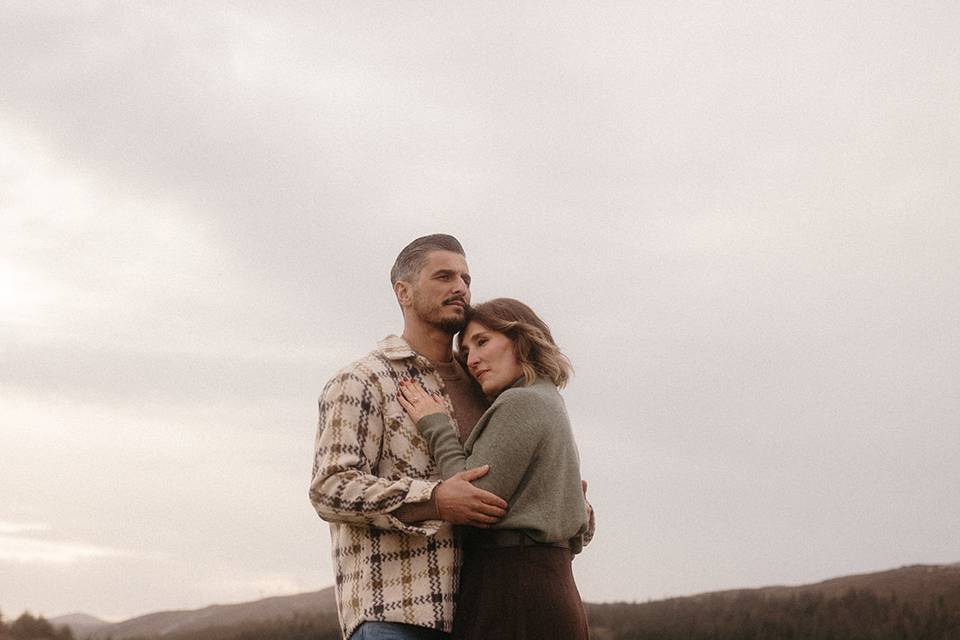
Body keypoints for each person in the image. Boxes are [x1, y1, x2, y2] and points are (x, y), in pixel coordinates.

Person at [309, 234, 509, 640]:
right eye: (444, 276)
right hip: (397, 616)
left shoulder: (486, 387)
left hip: (485, 615)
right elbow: (330, 487)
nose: (461, 288)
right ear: (404, 292)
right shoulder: (363, 380)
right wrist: (434, 500)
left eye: (466, 279)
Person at [397, 298, 593, 640]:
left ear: (522, 340)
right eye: (466, 351)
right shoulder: (548, 399)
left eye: (483, 342)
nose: (472, 359)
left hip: (512, 589)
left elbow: (472, 499)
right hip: (551, 584)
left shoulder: (521, 401)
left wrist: (437, 425)